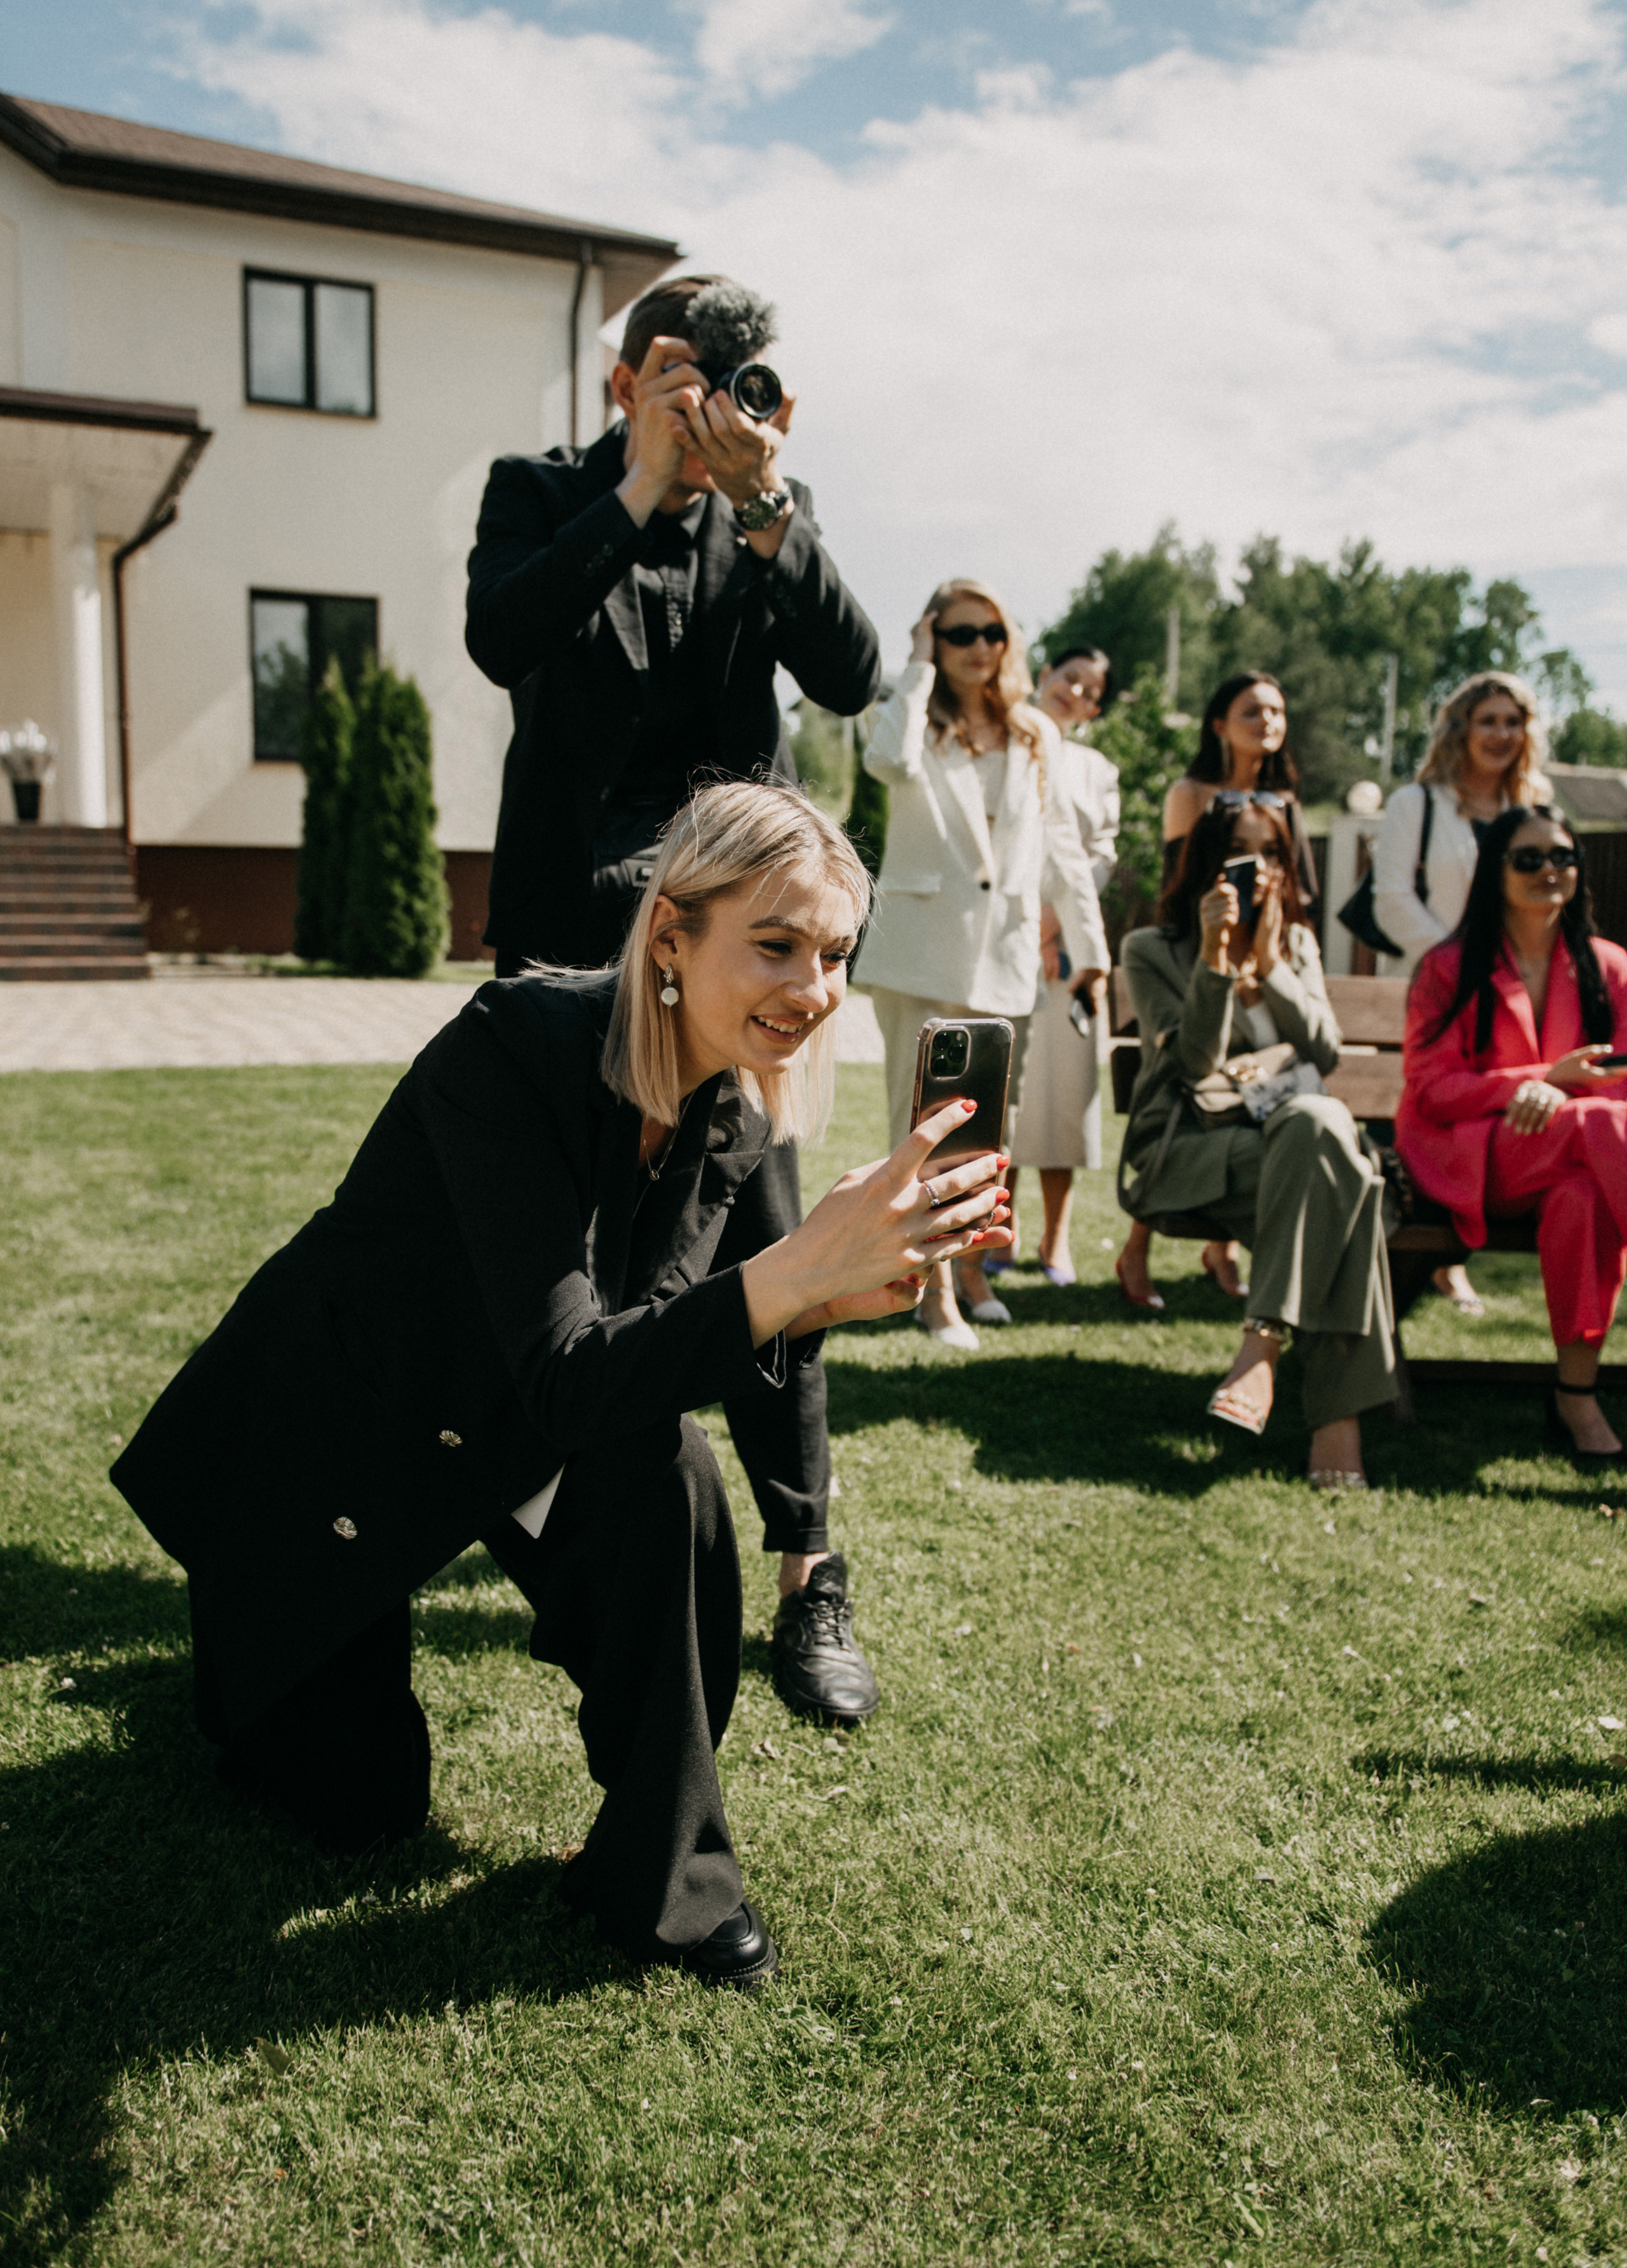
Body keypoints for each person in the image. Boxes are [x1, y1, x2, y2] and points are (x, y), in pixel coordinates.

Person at [109, 784, 1014, 1989]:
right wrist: (794, 1272)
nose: (816, 986)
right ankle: (247, 1633)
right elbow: (570, 1370)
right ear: (672, 936)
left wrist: (813, 1458)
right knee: (354, 1802)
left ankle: (666, 1875)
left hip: (516, 1428)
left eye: (838, 953)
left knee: (668, 1472)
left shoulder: (742, 1108)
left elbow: (754, 1354)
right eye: (779, 943)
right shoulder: (513, 1046)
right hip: (345, 1428)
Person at [465, 273, 883, 1728]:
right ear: (625, 374)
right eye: (688, 375)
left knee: (767, 1242)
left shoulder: (765, 514)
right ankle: (560, 1524)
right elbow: (504, 639)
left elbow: (850, 671)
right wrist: (638, 488)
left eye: (741, 381)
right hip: (571, 938)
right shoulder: (540, 491)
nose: (715, 404)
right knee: (554, 1255)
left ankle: (804, 1566)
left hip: (732, 951)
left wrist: (768, 512)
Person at [852, 581, 1108, 1346]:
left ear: (1008, 637)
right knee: (920, 1123)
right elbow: (885, 761)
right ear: (934, 634)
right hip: (921, 952)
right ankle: (931, 1292)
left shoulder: (1035, 733)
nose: (975, 645)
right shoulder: (910, 713)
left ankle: (966, 1269)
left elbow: (1062, 847)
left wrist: (1090, 952)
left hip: (1005, 958)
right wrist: (916, 665)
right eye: (956, 631)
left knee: (988, 1130)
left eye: (988, 630)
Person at [1119, 797, 1396, 1489]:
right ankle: (1338, 1423)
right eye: (1240, 852)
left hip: (1287, 1149)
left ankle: (1263, 1340)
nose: (1260, 869)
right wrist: (1215, 961)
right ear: (1209, 864)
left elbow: (1325, 1051)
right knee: (1343, 1181)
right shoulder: (1151, 949)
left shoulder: (1294, 945)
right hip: (1189, 1150)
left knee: (1315, 1127)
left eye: (1271, 852)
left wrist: (1268, 962)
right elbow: (1188, 1063)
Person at [1397, 806, 1627, 1460]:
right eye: (1528, 858)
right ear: (1495, 871)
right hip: (1470, 1157)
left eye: (1562, 856)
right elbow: (1431, 1091)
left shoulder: (1609, 967)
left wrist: (1556, 1091)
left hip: (1581, 1162)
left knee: (1581, 1199)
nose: (1548, 869)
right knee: (1596, 1121)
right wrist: (1536, 1078)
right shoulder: (1449, 966)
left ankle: (1574, 1398)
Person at [1116, 669, 1319, 1312]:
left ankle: (1227, 1251)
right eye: (1253, 710)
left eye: (1277, 712)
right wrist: (1216, 944)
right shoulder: (1192, 791)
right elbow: (1187, 871)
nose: (1268, 721)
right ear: (1219, 721)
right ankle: (1140, 1246)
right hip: (1202, 935)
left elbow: (1300, 886)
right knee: (1197, 1076)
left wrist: (1279, 951)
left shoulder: (1284, 797)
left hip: (1267, 954)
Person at [1371, 672, 1550, 1318]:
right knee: (1442, 1111)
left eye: (1513, 722)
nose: (1501, 734)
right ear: (1461, 730)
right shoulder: (1415, 805)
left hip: (1514, 1000)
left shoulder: (1534, 810)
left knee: (1500, 1111)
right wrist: (1461, 967)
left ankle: (1451, 1261)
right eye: (1488, 721)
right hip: (1436, 991)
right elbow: (1391, 899)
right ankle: (1425, 1260)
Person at [1002, 645, 1120, 1283]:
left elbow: (1096, 853)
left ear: (1094, 705)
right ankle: (1001, 1226)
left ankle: (1056, 1238)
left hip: (1070, 947)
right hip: (1008, 938)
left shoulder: (1097, 769)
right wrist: (1030, 917)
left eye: (1087, 687)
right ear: (1045, 675)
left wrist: (1057, 921)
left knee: (1064, 1094)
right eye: (1067, 676)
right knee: (1010, 1088)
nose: (1072, 690)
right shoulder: (1009, 740)